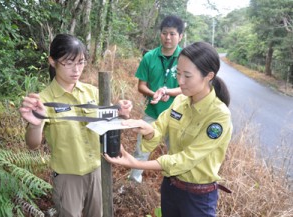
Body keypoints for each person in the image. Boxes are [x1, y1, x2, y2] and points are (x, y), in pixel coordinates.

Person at [104, 42, 233, 217]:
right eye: (178, 73)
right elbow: (159, 129)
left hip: (198, 198)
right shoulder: (180, 101)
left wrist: (136, 164)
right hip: (171, 188)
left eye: (187, 76)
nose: (180, 81)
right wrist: (148, 130)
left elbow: (186, 159)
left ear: (208, 76)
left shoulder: (218, 116)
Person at [19, 33, 132, 217]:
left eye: (80, 62)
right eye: (69, 62)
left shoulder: (93, 92)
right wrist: (36, 125)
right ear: (52, 61)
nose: (76, 69)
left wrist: (120, 112)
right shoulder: (44, 100)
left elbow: (108, 124)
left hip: (97, 170)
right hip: (67, 177)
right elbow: (32, 144)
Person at [129, 15, 184, 183]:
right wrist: (155, 94)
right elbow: (141, 86)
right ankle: (133, 183)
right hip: (153, 112)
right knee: (141, 149)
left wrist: (169, 91)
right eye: (165, 33)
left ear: (180, 36)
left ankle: (176, 184)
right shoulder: (149, 57)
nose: (168, 37)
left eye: (173, 34)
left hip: (178, 114)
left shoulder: (185, 58)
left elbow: (188, 87)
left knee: (177, 152)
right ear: (160, 34)